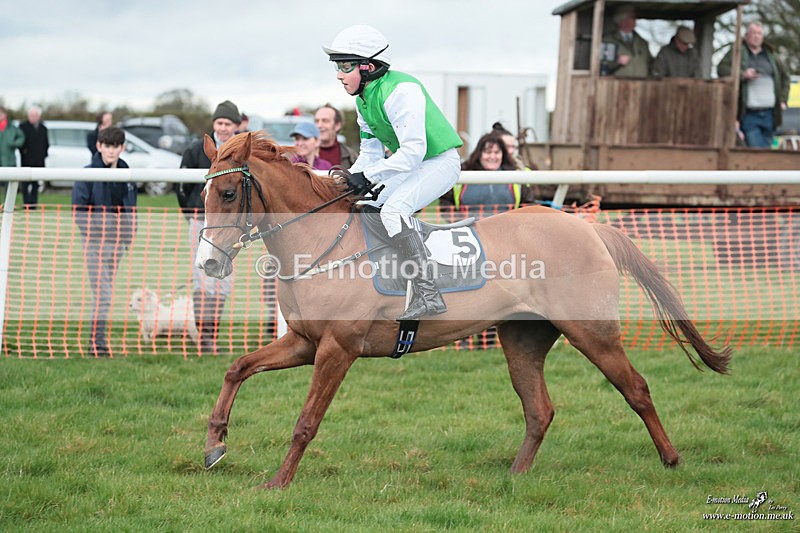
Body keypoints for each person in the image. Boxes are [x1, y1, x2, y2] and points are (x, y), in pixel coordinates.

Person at [323, 24, 463, 320]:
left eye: (345, 66)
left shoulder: (401, 91)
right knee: (365, 206)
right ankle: (391, 274)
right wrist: (346, 180)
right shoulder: (363, 101)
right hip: (413, 163)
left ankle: (429, 292)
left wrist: (368, 177)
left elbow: (413, 152)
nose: (339, 74)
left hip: (440, 162)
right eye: (337, 66)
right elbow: (370, 155)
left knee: (393, 211)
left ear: (368, 66)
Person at [177, 100, 241, 353]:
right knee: (203, 277)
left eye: (228, 123)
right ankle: (203, 336)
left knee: (223, 277)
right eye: (219, 123)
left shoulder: (240, 151)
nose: (223, 128)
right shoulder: (196, 150)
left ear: (235, 126)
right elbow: (182, 188)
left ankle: (212, 333)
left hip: (230, 225)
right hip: (201, 220)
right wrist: (192, 213)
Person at [72, 127, 137, 357]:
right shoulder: (88, 173)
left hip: (118, 242)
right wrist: (98, 231)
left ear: (122, 148)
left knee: (105, 292)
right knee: (104, 293)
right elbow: (78, 210)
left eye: (115, 146)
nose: (111, 151)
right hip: (95, 242)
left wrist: (129, 232)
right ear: (99, 146)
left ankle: (97, 340)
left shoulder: (128, 174)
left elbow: (131, 206)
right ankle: (96, 343)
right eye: (107, 146)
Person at [718, 22, 790, 148]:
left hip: (770, 114)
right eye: (753, 33)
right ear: (746, 35)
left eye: (759, 33)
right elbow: (721, 69)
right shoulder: (738, 51)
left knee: (766, 150)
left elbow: (785, 77)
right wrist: (743, 74)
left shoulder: (771, 55)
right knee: (756, 149)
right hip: (749, 113)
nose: (756, 36)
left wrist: (783, 100)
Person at [440, 132, 534, 216]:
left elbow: (527, 205)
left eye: (496, 152)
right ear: (479, 154)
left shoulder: (516, 175)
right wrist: (458, 222)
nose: (492, 156)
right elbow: (445, 203)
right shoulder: (461, 173)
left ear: (503, 154)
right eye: (488, 152)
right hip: (469, 228)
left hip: (507, 228)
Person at [601, 6, 653, 78]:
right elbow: (602, 66)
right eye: (632, 17)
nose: (635, 20)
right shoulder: (608, 40)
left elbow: (651, 64)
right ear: (622, 20)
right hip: (616, 83)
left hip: (641, 83)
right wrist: (616, 61)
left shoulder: (642, 42)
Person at [18, 106, 50, 206]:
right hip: (27, 160)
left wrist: (44, 155)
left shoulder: (43, 128)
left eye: (35, 115)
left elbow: (46, 144)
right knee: (25, 184)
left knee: (36, 184)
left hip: (39, 160)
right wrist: (24, 151)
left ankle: (33, 204)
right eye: (31, 115)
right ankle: (26, 203)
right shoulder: (23, 127)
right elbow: (20, 143)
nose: (33, 117)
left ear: (39, 116)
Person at [314, 103, 358, 168]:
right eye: (316, 121)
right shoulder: (303, 155)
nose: (319, 125)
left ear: (337, 125)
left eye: (325, 121)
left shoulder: (351, 157)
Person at [0, 106, 26, 201]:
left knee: (9, 188)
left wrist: (15, 143)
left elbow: (21, 137)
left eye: (1, 113)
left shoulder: (12, 128)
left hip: (9, 161)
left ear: (5, 114)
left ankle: (9, 205)